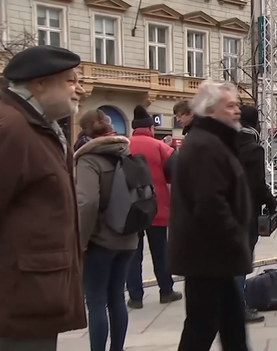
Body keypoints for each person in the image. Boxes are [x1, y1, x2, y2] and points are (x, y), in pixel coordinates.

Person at [0, 45, 86, 350]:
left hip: (34, 298)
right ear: (39, 83)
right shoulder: (11, 128)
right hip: (16, 305)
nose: (80, 90)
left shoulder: (37, 127)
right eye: (71, 81)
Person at [168, 79, 252, 351]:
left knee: (230, 323)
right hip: (208, 256)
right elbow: (210, 203)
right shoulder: (205, 145)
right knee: (203, 325)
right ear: (210, 110)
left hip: (213, 256)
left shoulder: (213, 141)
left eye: (237, 104)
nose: (237, 110)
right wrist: (234, 238)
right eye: (230, 106)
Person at [74, 110, 138, 351]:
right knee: (117, 298)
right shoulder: (126, 151)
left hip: (100, 240)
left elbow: (87, 202)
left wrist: (81, 241)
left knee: (97, 300)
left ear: (85, 130)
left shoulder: (88, 158)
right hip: (128, 236)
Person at [126, 104, 182, 309]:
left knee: (133, 253)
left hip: (131, 210)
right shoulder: (161, 147)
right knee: (160, 252)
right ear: (150, 128)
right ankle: (166, 291)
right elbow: (174, 174)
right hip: (157, 209)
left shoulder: (125, 145)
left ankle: (135, 296)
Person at [235, 104, 277, 323]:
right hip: (247, 213)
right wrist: (272, 204)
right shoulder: (254, 149)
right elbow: (258, 184)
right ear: (255, 124)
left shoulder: (226, 143)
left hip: (227, 213)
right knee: (242, 262)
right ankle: (239, 307)